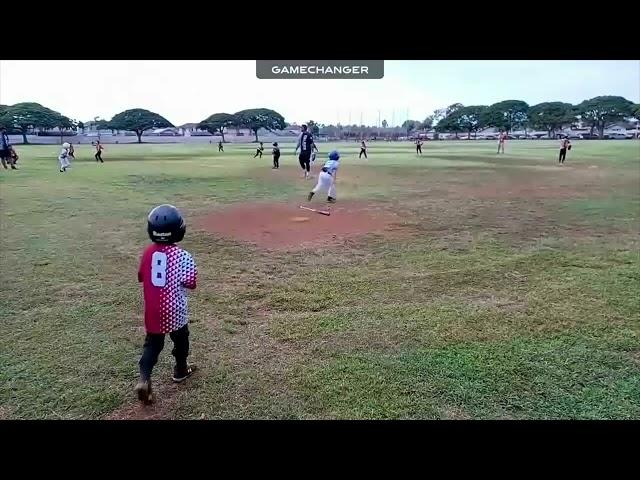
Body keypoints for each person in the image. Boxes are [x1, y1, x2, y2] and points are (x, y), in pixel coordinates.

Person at [135, 204, 198, 405]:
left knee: (152, 344)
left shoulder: (147, 253)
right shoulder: (183, 256)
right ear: (179, 230)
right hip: (175, 309)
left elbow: (141, 276)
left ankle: (144, 378)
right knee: (181, 339)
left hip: (153, 309)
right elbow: (191, 283)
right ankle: (180, 369)